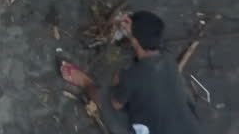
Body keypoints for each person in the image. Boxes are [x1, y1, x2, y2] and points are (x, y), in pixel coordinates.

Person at [60, 11, 201, 134]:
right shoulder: (168, 60)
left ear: (134, 40)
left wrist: (120, 81)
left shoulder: (133, 75)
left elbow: (115, 104)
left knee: (110, 102)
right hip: (189, 128)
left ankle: (84, 82)